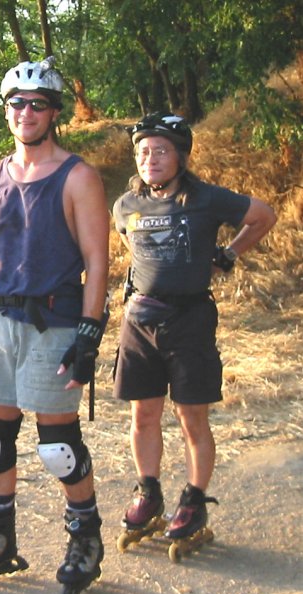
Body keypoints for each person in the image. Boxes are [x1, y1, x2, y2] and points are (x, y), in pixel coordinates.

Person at [0, 57, 109, 594]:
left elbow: (97, 258)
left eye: (38, 104)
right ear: (7, 111)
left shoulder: (77, 175)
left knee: (57, 445)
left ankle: (85, 539)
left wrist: (89, 333)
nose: (26, 112)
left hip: (53, 321)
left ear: (54, 112)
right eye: (18, 103)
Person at [112, 112, 277, 549]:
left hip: (189, 320)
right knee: (143, 415)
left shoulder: (204, 198)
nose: (151, 158)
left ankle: (194, 498)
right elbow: (134, 248)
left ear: (181, 157)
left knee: (191, 418)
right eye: (144, 151)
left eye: (161, 151)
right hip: (139, 322)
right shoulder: (126, 205)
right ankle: (148, 492)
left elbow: (263, 215)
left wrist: (229, 253)